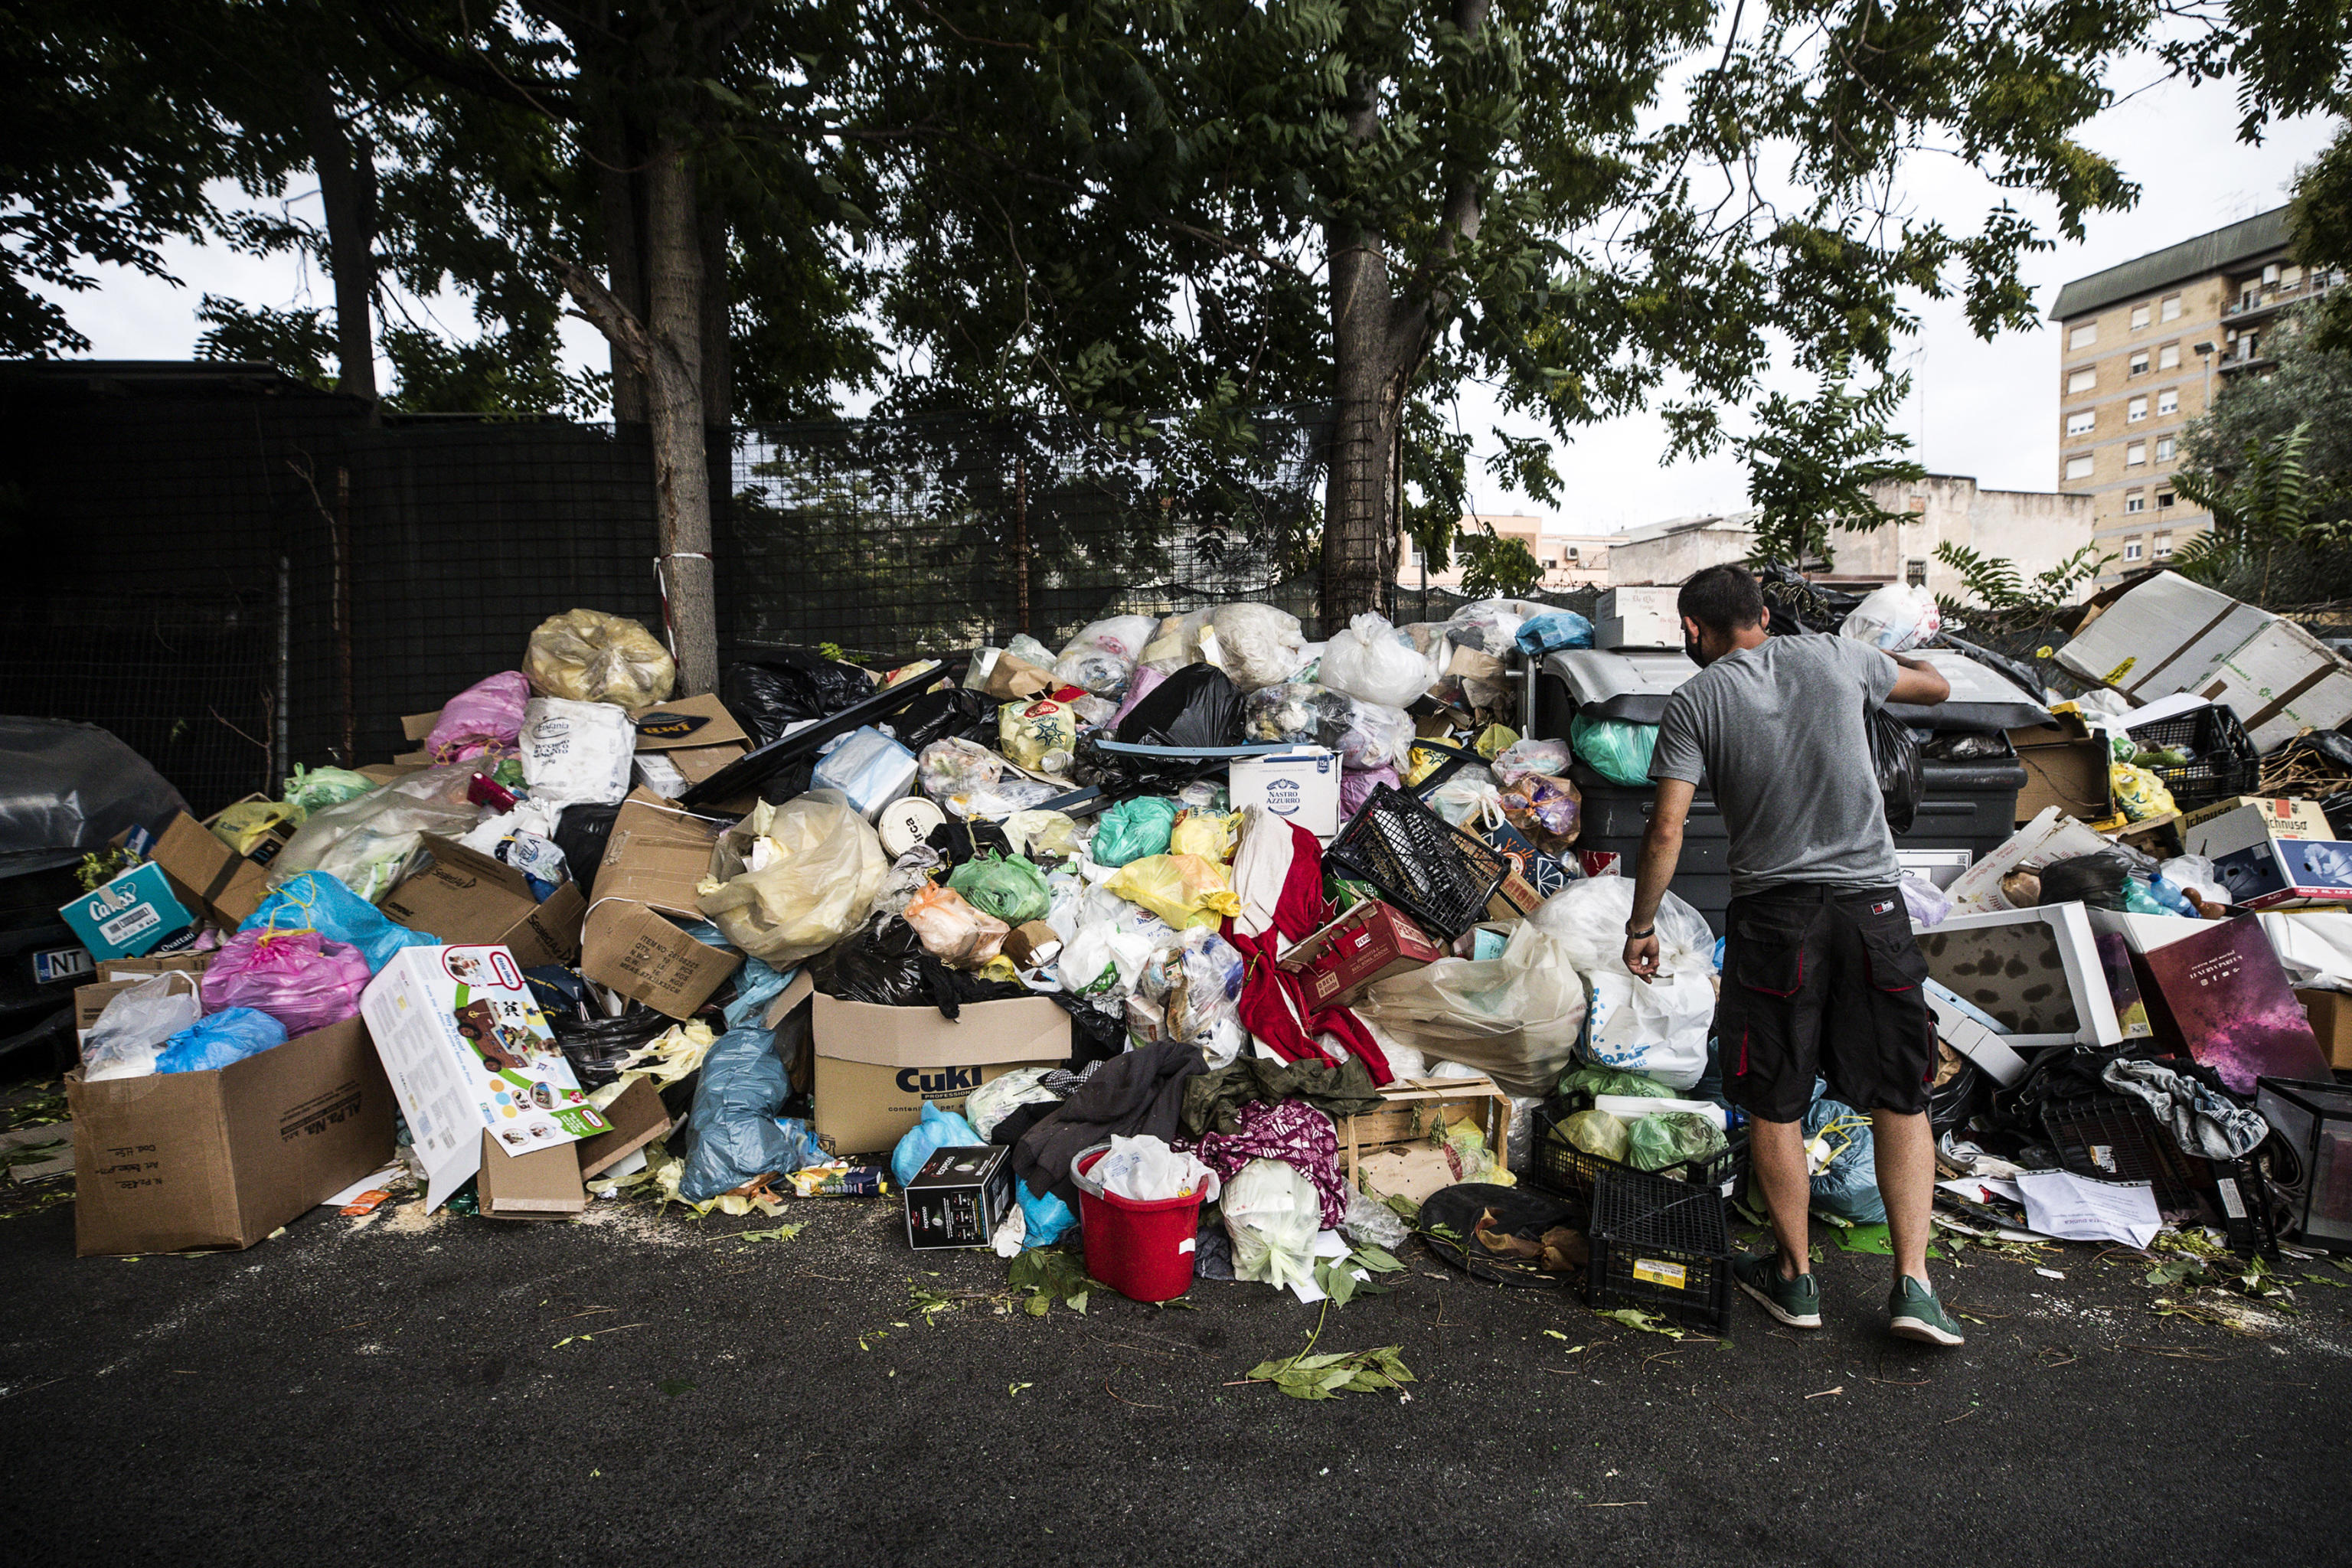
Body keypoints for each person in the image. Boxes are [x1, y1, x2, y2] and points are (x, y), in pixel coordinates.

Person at [1621, 564, 1963, 1347]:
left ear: (1694, 631)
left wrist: (1642, 923)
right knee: (1900, 1092)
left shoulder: (1696, 698)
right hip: (1873, 909)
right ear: (1765, 615)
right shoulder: (1839, 657)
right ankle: (1914, 1283)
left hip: (1777, 919)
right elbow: (1936, 687)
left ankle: (1795, 1275)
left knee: (1775, 1094)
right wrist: (1890, 656)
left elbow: (1667, 828)